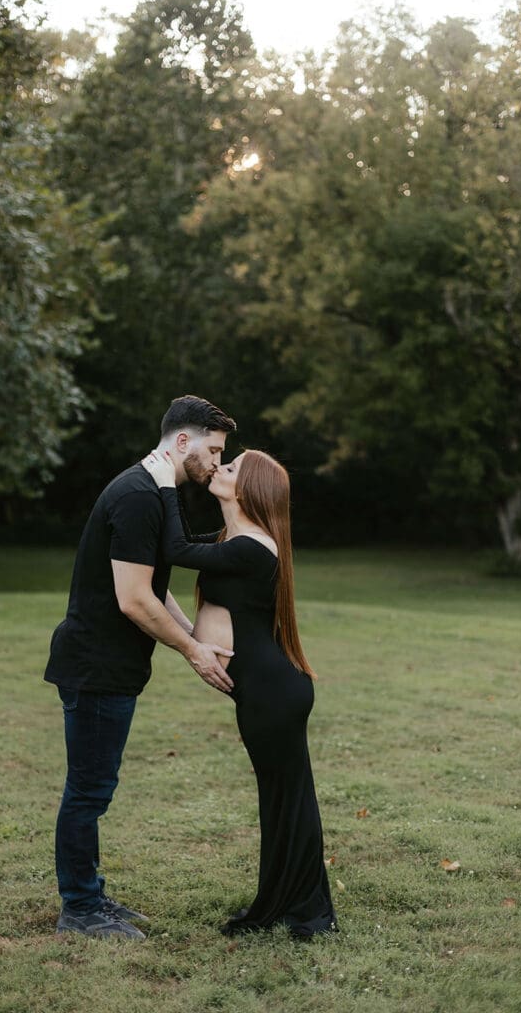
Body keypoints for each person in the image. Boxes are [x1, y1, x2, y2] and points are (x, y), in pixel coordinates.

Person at [43, 396, 237, 940]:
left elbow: (154, 590)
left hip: (111, 667)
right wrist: (193, 652)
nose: (218, 463)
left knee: (94, 787)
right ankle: (79, 908)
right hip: (96, 666)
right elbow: (133, 600)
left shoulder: (151, 493)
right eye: (213, 450)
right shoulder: (137, 496)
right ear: (182, 442)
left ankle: (90, 895)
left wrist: (199, 639)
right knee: (88, 791)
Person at [142, 447, 337, 939]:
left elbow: (175, 550)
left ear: (247, 489)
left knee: (288, 800)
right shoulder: (235, 537)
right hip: (268, 691)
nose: (219, 468)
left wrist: (165, 483)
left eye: (230, 467)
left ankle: (309, 914)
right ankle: (286, 903)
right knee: (280, 799)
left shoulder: (252, 546)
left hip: (274, 694)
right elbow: (183, 545)